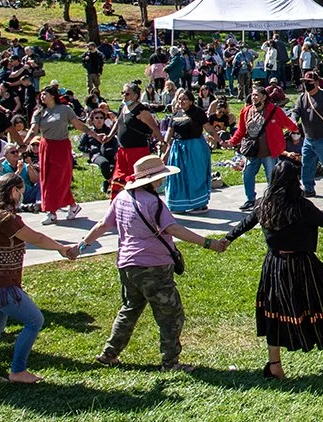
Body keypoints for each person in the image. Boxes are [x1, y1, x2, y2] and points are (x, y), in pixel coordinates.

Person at [224, 160, 323, 378]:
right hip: (303, 266)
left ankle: (275, 365)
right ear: (295, 181)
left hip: (274, 266)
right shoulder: (302, 206)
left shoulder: (263, 203)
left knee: (274, 312)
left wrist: (227, 240)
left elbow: (245, 223)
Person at [79, 154, 226, 372]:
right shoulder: (154, 203)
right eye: (160, 177)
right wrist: (208, 243)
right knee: (171, 315)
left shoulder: (122, 197)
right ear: (152, 179)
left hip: (127, 266)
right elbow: (174, 229)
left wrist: (83, 244)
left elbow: (102, 224)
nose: (162, 180)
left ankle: (109, 354)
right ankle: (170, 362)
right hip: (153, 268)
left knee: (129, 309)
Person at [0, 174, 78, 383]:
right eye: (21, 190)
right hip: (3, 285)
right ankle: (18, 371)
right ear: (13, 191)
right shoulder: (6, 219)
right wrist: (62, 248)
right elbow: (36, 237)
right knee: (34, 320)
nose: (22, 195)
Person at [28, 87, 97, 223]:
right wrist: (23, 143)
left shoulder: (65, 109)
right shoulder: (39, 112)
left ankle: (54, 211)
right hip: (46, 146)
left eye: (45, 94)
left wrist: (94, 135)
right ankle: (64, 208)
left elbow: (78, 125)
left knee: (58, 178)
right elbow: (33, 130)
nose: (42, 96)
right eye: (41, 94)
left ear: (53, 96)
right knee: (47, 179)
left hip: (61, 146)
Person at [229, 86, 298, 210]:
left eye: (256, 95)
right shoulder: (246, 111)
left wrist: (296, 128)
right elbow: (241, 130)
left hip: (269, 152)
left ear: (264, 97)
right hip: (252, 151)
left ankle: (273, 200)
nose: (253, 97)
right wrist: (232, 141)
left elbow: (287, 123)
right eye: (252, 95)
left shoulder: (274, 110)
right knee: (247, 174)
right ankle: (250, 199)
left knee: (272, 177)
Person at [160, 89, 218, 213]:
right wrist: (164, 143)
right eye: (180, 99)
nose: (181, 101)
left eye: (184, 99)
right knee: (177, 176)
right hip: (178, 148)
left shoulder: (198, 113)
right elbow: (170, 131)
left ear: (191, 101)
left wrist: (220, 140)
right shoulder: (176, 114)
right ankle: (178, 204)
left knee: (194, 175)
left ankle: (199, 204)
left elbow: (209, 129)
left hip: (194, 147)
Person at [107, 83, 163, 197]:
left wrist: (163, 142)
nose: (124, 96)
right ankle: (118, 206)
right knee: (118, 179)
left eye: (127, 93)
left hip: (137, 151)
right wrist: (109, 136)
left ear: (135, 96)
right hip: (123, 151)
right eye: (122, 93)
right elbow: (118, 122)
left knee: (138, 180)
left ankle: (142, 205)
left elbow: (155, 128)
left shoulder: (141, 111)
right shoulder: (123, 107)